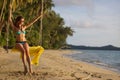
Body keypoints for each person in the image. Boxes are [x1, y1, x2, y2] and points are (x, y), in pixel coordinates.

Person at [9, 5, 43, 75]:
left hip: (24, 42)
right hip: (18, 42)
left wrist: (39, 16)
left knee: (27, 53)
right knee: (23, 51)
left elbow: (32, 22)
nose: (22, 22)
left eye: (23, 21)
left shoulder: (24, 27)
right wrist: (10, 10)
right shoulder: (15, 28)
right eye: (21, 21)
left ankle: (30, 68)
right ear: (18, 21)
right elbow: (9, 19)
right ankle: (25, 67)